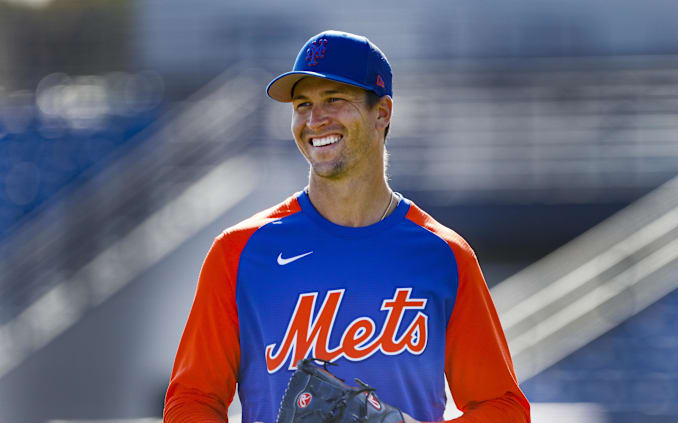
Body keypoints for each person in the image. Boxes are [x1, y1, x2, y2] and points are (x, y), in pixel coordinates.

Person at [164, 30, 530, 423]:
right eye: (302, 105)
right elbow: (192, 400)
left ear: (382, 112)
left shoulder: (444, 255)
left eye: (334, 100)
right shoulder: (239, 252)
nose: (314, 120)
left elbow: (503, 407)